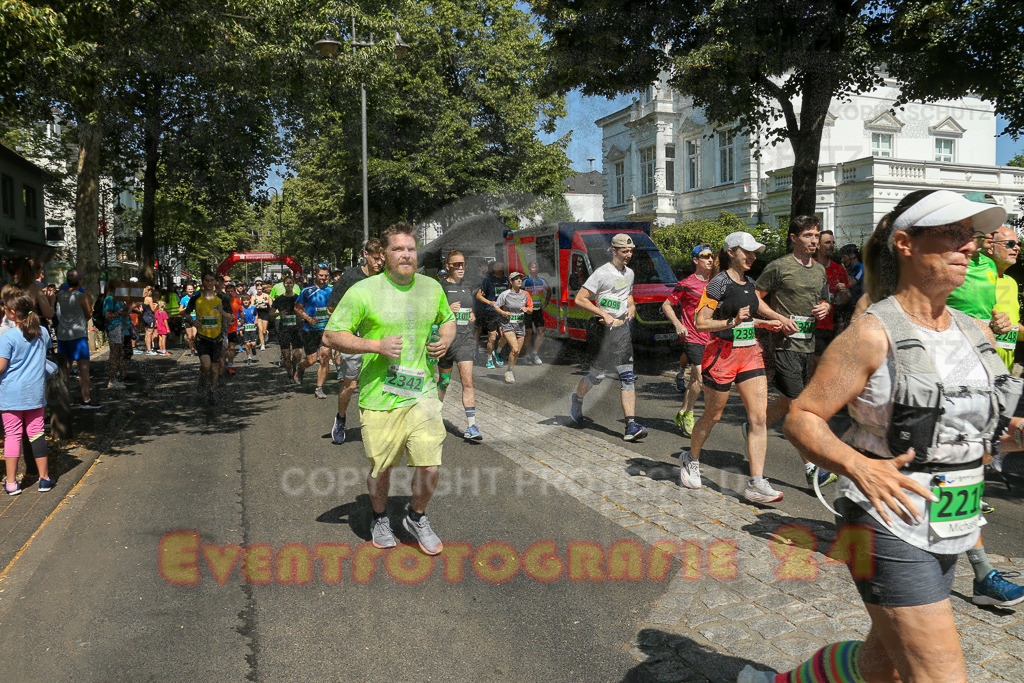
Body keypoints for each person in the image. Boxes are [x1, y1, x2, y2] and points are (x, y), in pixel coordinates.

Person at [742, 189, 1023, 683]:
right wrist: (859, 466)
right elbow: (802, 417)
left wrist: (1011, 434)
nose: (970, 248)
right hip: (887, 525)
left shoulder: (973, 332)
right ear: (905, 244)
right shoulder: (873, 333)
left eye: (971, 237)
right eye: (952, 235)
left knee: (885, 665)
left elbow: (983, 431)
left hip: (951, 523)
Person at [322, 221, 455, 555]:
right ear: (384, 254)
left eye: (411, 249)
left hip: (422, 392)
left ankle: (416, 516)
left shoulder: (431, 287)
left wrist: (446, 340)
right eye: (398, 249)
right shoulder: (363, 291)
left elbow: (447, 319)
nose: (406, 254)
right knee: (383, 468)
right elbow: (331, 335)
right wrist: (375, 345)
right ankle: (380, 516)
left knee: (430, 463)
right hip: (380, 396)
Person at [678, 232, 788, 503]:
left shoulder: (749, 282)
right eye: (746, 251)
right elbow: (701, 322)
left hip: (750, 354)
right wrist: (731, 323)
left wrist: (772, 320)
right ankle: (690, 459)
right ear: (731, 252)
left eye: (754, 252)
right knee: (713, 416)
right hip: (722, 356)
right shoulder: (718, 284)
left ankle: (757, 483)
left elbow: (755, 306)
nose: (752, 256)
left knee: (759, 418)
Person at [756, 215, 838, 489]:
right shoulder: (779, 267)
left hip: (807, 344)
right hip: (783, 345)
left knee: (788, 401)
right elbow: (755, 299)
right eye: (808, 235)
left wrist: (826, 307)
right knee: (798, 407)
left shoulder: (819, 270)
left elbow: (825, 298)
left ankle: (756, 425)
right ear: (794, 238)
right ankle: (813, 467)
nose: (814, 241)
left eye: (816, 235)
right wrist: (777, 319)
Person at [567, 233, 648, 442]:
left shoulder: (629, 273)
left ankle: (630, 425)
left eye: (631, 251)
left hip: (621, 331)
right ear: (614, 251)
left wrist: (631, 306)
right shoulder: (601, 274)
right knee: (597, 376)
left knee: (628, 377)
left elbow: (628, 295)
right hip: (601, 331)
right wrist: (603, 313)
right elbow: (580, 299)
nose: (628, 255)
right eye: (624, 251)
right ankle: (577, 398)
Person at [325, 239, 384, 444]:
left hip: (379, 340)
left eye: (382, 259)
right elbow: (332, 308)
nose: (379, 263)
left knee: (381, 382)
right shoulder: (351, 277)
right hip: (355, 340)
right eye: (375, 258)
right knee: (350, 385)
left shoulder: (385, 278)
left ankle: (377, 425)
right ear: (365, 254)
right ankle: (340, 418)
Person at [1, 291, 54, 495]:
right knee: (37, 433)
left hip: (11, 394)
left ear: (13, 313)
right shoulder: (42, 332)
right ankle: (44, 479)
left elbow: (1, 366)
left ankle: (12, 483)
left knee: (12, 436)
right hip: (35, 392)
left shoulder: (8, 337)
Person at [661, 244, 713, 436]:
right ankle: (690, 414)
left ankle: (682, 412)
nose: (709, 259)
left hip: (710, 337)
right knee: (700, 377)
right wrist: (678, 324)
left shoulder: (715, 283)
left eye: (711, 256)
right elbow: (667, 305)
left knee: (694, 380)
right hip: (691, 336)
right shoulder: (686, 284)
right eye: (704, 256)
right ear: (695, 260)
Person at [438, 249, 483, 441]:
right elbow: (431, 314)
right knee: (444, 382)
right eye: (457, 264)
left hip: (465, 340)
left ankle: (472, 426)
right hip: (446, 341)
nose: (461, 268)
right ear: (448, 266)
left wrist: (471, 314)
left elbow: (468, 307)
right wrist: (447, 310)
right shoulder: (440, 287)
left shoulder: (467, 285)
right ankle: (434, 415)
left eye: (463, 264)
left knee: (468, 382)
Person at [182, 272, 231, 404]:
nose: (209, 283)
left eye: (212, 281)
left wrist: (222, 312)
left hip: (217, 339)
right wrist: (192, 322)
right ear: (203, 282)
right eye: (207, 281)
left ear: (215, 282)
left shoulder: (222, 298)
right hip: (202, 338)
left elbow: (231, 318)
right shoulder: (196, 299)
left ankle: (211, 391)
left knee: (215, 368)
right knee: (206, 365)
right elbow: (186, 314)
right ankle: (203, 376)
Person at [54, 269, 100, 409]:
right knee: (84, 369)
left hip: (62, 334)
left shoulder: (60, 294)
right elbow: (89, 314)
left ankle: (65, 399)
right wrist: (90, 297)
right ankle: (86, 400)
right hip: (78, 335)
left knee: (65, 369)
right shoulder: (81, 296)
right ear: (79, 281)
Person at [293, 265, 333, 398]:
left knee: (324, 358)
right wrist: (308, 318)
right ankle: (301, 368)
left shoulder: (331, 290)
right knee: (311, 360)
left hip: (325, 330)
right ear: (315, 274)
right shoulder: (307, 291)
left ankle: (319, 388)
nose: (323, 278)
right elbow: (297, 309)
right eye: (321, 275)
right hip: (309, 330)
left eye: (326, 276)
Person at [813, 229, 851, 367]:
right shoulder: (810, 267)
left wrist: (844, 292)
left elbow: (845, 300)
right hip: (813, 322)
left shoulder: (839, 270)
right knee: (819, 360)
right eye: (827, 242)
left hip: (832, 323)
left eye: (833, 243)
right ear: (818, 246)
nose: (831, 246)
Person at [986, 224, 1021, 370]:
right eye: (1010, 244)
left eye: (1018, 244)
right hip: (979, 369)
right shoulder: (974, 279)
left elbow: (1013, 327)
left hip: (1004, 372)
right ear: (990, 247)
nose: (1017, 248)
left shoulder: (1011, 283)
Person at [493, 271, 533, 384]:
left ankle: (509, 368)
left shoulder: (526, 294)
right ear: (511, 282)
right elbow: (496, 306)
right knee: (514, 348)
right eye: (516, 279)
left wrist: (527, 310)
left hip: (520, 324)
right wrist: (503, 312)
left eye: (520, 278)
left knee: (517, 352)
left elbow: (531, 309)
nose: (519, 280)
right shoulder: (505, 294)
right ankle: (509, 371)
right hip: (507, 323)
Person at [475, 261, 509, 369]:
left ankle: (497, 352)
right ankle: (489, 360)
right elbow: (478, 296)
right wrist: (489, 302)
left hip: (502, 312)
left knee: (505, 336)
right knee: (492, 338)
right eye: (499, 265)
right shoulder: (488, 280)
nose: (501, 267)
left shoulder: (505, 280)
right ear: (494, 267)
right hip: (490, 312)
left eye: (503, 265)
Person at [271, 275, 302, 378]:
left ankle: (294, 367)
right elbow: (271, 314)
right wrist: (279, 314)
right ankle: (290, 374)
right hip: (284, 330)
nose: (288, 285)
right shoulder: (279, 299)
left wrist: (302, 316)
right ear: (284, 284)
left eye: (290, 283)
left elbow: (304, 310)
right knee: (286, 355)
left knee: (298, 354)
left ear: (293, 284)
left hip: (296, 329)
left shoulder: (298, 298)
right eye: (287, 283)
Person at [522, 261, 549, 365]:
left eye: (537, 267)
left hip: (538, 310)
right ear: (529, 269)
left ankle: (535, 353)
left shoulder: (541, 280)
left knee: (541, 332)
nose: (536, 269)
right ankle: (527, 355)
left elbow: (549, 290)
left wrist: (546, 302)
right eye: (533, 267)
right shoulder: (525, 281)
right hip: (528, 311)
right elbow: (518, 293)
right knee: (529, 333)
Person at [103, 289, 130, 390]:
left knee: (119, 354)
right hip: (114, 328)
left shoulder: (119, 299)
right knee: (114, 354)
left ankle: (115, 379)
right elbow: (108, 316)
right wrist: (122, 310)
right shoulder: (110, 299)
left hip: (121, 327)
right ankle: (111, 380)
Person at [178, 283, 197, 356]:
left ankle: (197, 346)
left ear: (194, 290)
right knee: (189, 336)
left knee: (194, 335)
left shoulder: (196, 298)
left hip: (195, 319)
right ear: (186, 290)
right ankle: (192, 349)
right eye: (189, 289)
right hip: (187, 319)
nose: (190, 290)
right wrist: (186, 308)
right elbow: (180, 310)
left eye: (191, 289)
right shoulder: (183, 299)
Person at [238, 294, 259, 363]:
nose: (246, 302)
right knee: (247, 344)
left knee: (253, 344)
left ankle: (253, 348)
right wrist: (240, 326)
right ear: (242, 301)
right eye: (244, 300)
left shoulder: (253, 308)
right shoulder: (241, 309)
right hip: (245, 327)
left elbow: (256, 314)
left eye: (247, 300)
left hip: (252, 327)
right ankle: (249, 357)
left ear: (250, 300)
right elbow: (238, 318)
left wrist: (256, 320)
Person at [253, 281, 272, 350]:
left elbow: (270, 301)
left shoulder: (266, 295)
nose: (259, 291)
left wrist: (263, 302)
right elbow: (252, 305)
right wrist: (256, 305)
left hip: (265, 312)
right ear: (256, 289)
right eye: (258, 289)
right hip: (258, 313)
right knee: (260, 330)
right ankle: (262, 344)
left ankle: (266, 333)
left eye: (260, 289)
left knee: (264, 330)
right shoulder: (254, 296)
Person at [141, 286, 158, 354]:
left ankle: (148, 348)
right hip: (150, 317)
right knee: (149, 334)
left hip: (145, 316)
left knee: (146, 333)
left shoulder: (143, 298)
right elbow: (153, 309)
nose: (151, 292)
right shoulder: (149, 298)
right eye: (151, 291)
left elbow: (142, 309)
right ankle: (149, 349)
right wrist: (156, 305)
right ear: (149, 291)